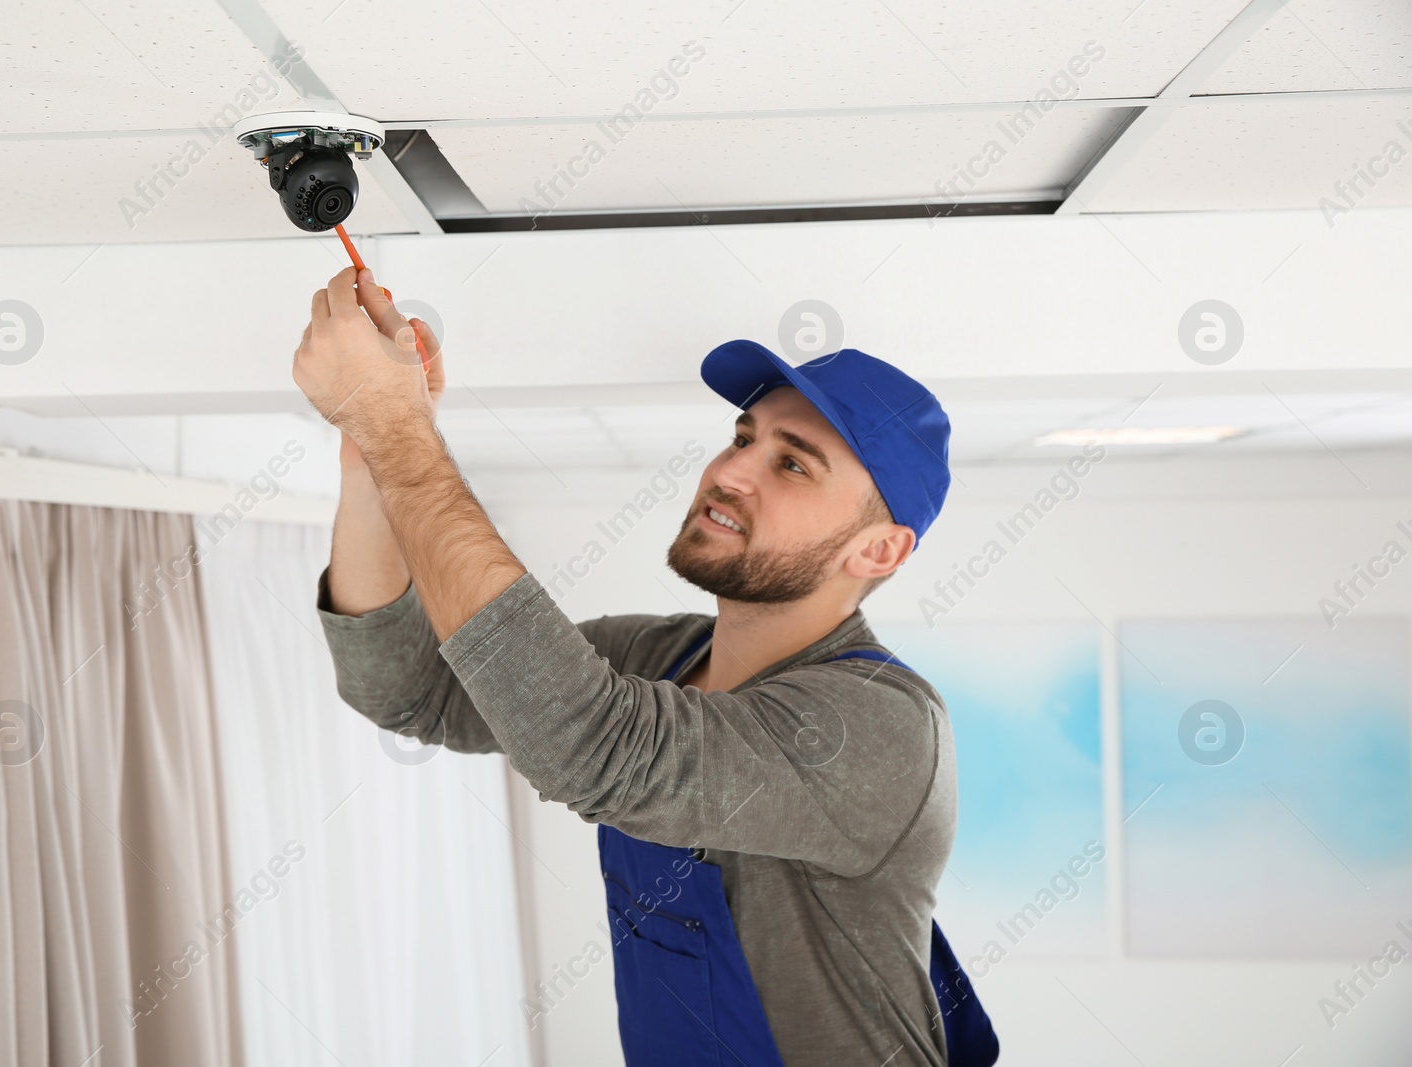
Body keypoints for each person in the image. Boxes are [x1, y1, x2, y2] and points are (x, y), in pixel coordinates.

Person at [296, 265, 992, 1066]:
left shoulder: (881, 725)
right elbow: (410, 689)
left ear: (879, 549)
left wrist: (400, 431)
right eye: (743, 438)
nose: (731, 471)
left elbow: (593, 747)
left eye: (792, 463)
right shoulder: (657, 659)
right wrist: (370, 458)